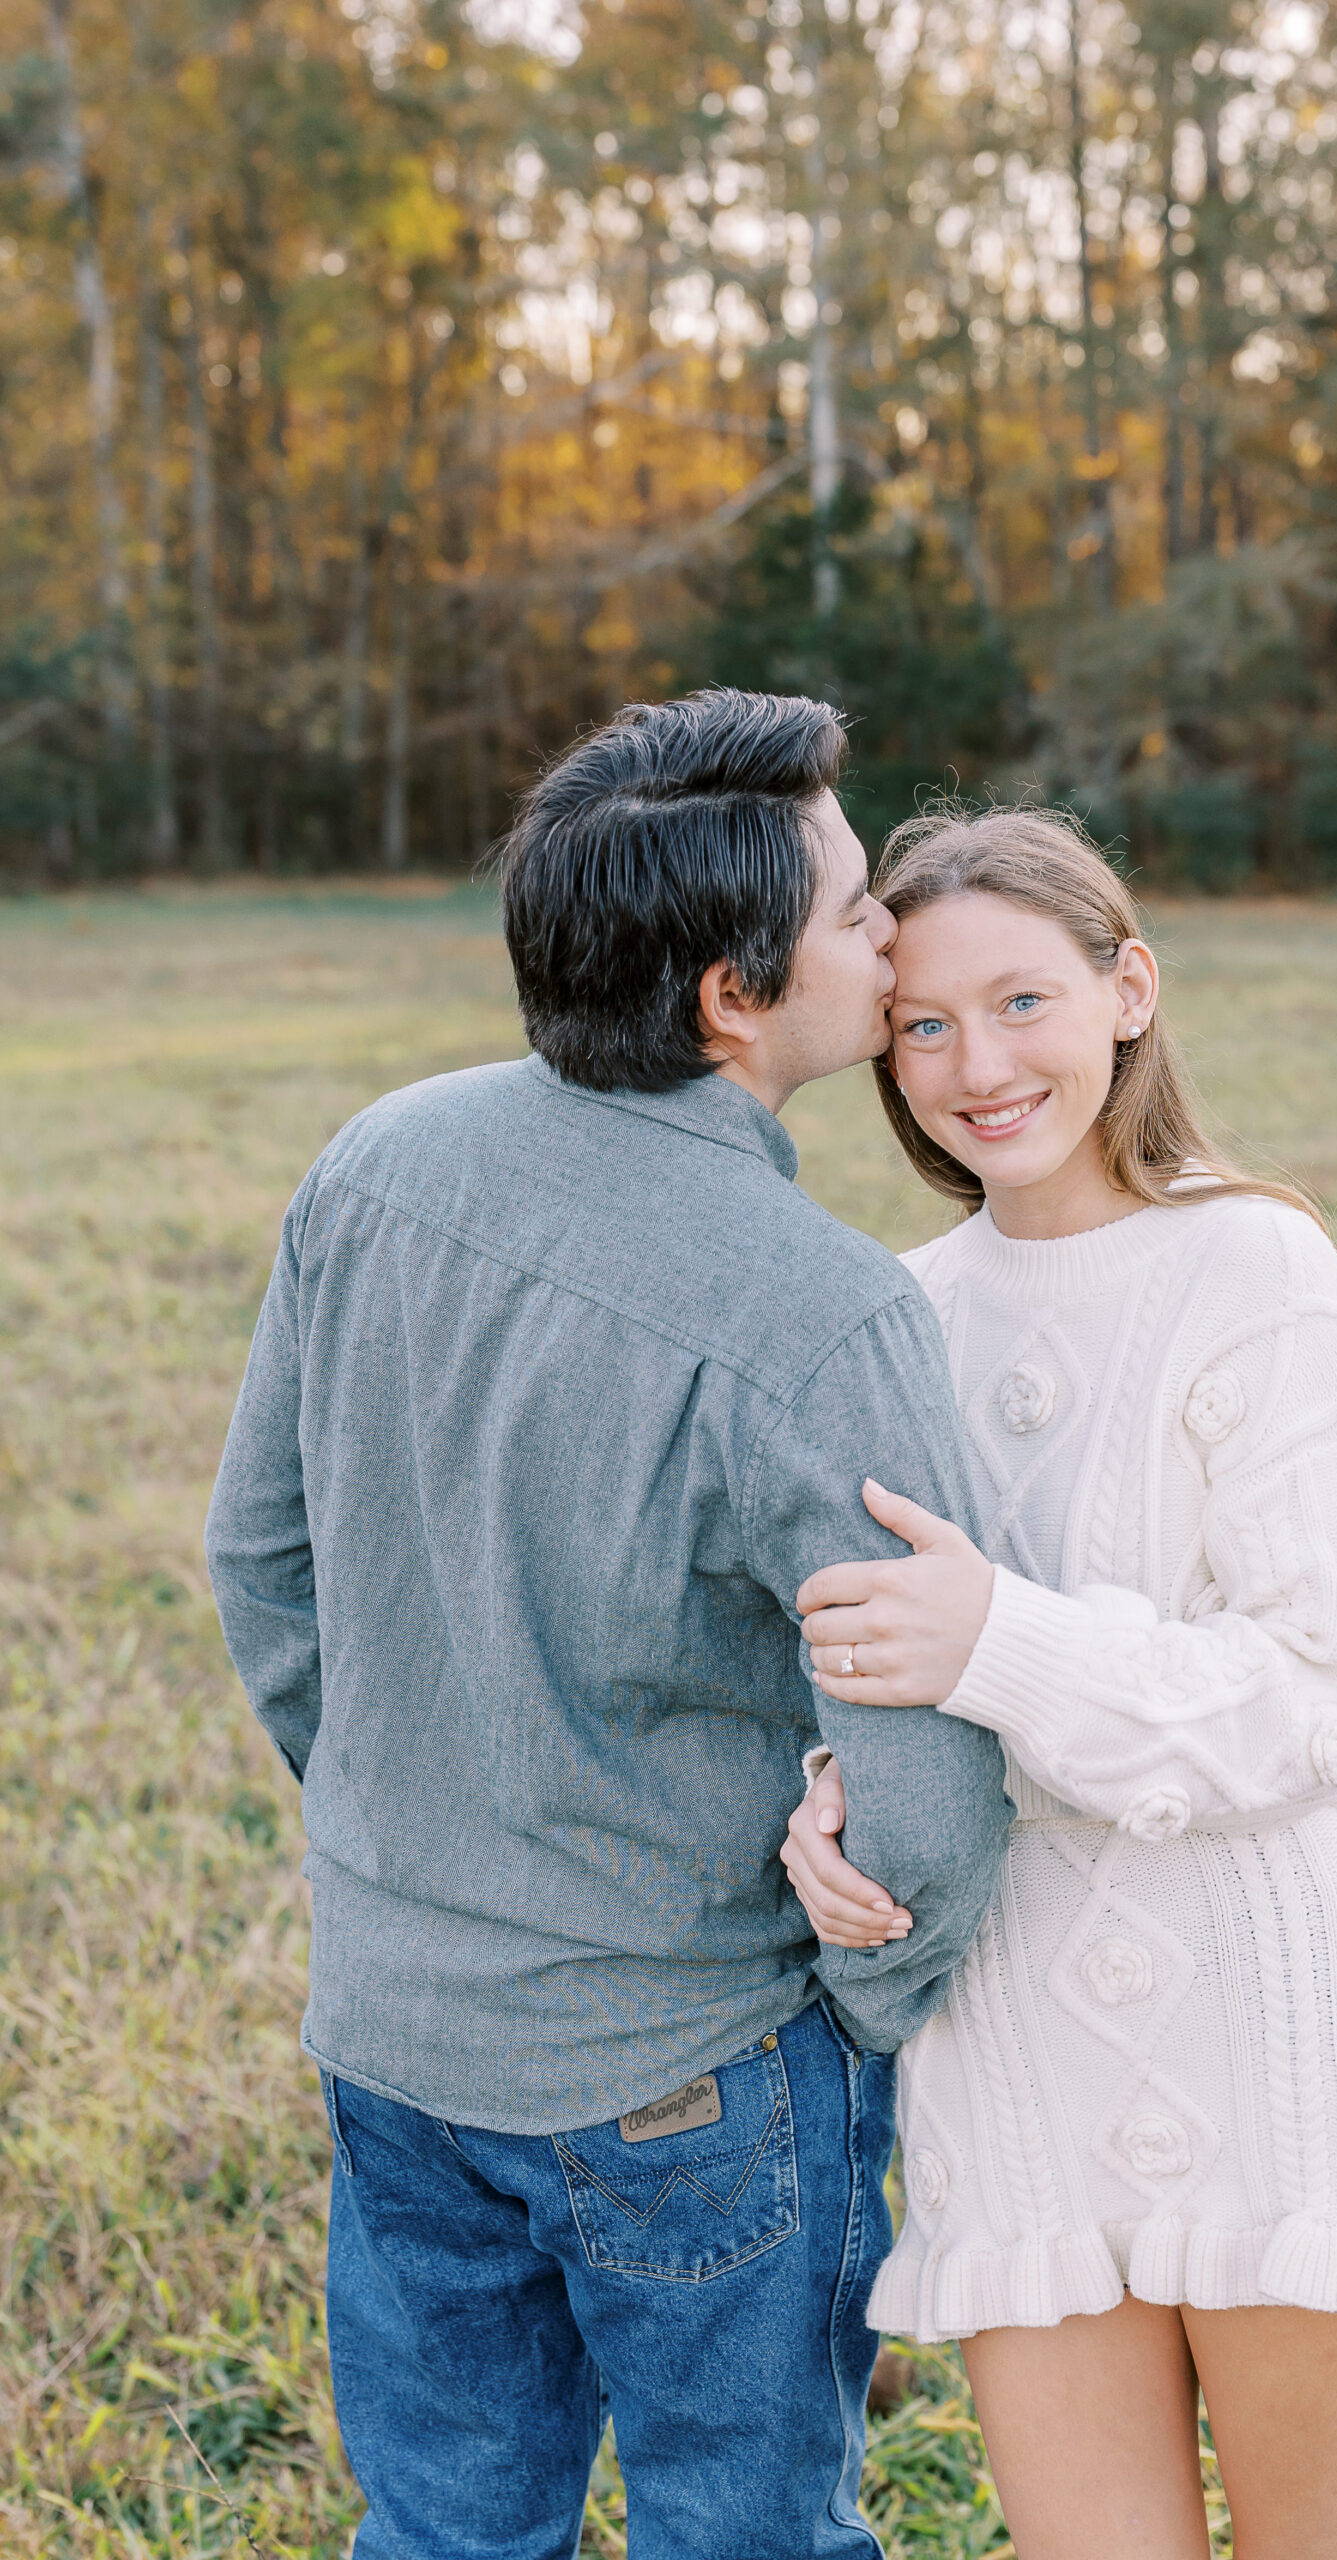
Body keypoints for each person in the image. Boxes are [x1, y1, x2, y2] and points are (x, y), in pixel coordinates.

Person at [204, 691, 1012, 2560]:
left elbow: (260, 1558)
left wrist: (410, 1832)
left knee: (444, 2529)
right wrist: (859, 2014)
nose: (891, 937)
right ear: (735, 995)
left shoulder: (375, 1159)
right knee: (748, 2533)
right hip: (694, 2065)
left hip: (394, 2028)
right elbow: (924, 1779)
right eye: (855, 912)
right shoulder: (827, 1315)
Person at [781, 805, 1337, 2560]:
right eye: (923, 1024)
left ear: (1127, 989)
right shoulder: (896, 1312)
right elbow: (865, 1651)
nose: (977, 1067)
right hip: (1011, 2044)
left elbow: (1318, 1694)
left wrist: (1004, 1643)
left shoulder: (1253, 1261)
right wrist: (825, 1813)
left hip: (1270, 2029)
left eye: (1023, 1002)